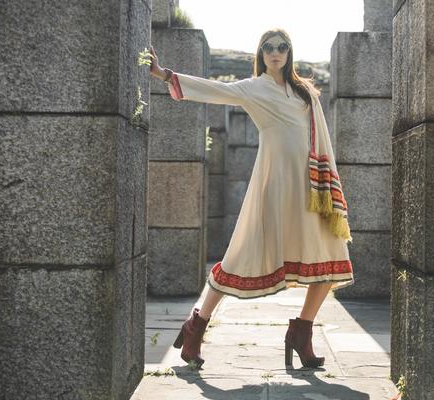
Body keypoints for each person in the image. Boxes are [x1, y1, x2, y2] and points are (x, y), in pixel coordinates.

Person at [149, 28, 354, 369]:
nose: (276, 52)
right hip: (273, 185)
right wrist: (163, 74)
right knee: (240, 255)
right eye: (269, 47)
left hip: (311, 187)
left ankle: (301, 332)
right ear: (261, 53)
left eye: (283, 46)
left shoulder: (305, 93)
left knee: (332, 255)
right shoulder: (253, 89)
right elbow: (214, 89)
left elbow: (320, 139)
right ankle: (195, 326)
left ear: (290, 52)